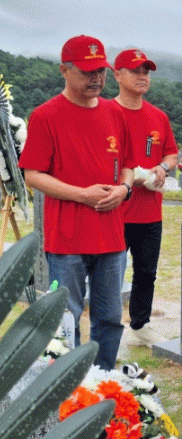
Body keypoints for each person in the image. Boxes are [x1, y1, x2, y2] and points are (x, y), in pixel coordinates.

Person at [18, 35, 134, 370]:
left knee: (109, 316)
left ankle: (104, 377)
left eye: (101, 70)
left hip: (111, 236)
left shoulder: (115, 113)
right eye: (87, 71)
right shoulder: (46, 116)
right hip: (67, 237)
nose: (96, 78)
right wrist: (82, 194)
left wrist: (124, 189)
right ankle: (67, 383)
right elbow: (33, 174)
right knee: (66, 317)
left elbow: (128, 164)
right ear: (64, 70)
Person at [112, 49, 178, 347]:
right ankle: (107, 324)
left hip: (150, 212)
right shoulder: (105, 112)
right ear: (117, 75)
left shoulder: (158, 116)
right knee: (110, 273)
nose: (142, 77)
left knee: (146, 273)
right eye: (135, 71)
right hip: (114, 210)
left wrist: (162, 168)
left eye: (146, 72)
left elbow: (171, 153)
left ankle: (140, 325)